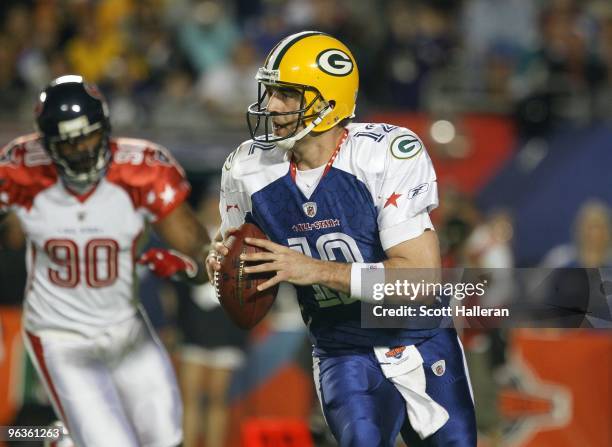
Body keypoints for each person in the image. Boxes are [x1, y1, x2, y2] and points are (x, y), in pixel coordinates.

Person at [207, 32, 476, 446]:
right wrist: (224, 267)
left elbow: (421, 281)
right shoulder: (246, 170)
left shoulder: (383, 153)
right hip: (342, 349)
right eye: (270, 91)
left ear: (329, 103)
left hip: (420, 338)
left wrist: (313, 270)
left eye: (287, 95)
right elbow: (243, 264)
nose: (271, 106)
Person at [0, 75, 211, 447]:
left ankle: (64, 440)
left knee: (167, 437)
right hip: (59, 335)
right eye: (69, 143)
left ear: (107, 128)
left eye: (88, 136)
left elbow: (201, 257)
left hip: (126, 329)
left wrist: (187, 269)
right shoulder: (21, 170)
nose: (81, 150)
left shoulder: (141, 169)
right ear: (48, 145)